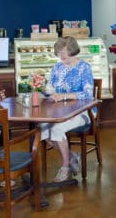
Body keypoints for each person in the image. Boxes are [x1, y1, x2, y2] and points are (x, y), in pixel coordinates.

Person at [42, 36, 94, 182]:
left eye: (64, 52)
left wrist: (64, 96)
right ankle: (71, 157)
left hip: (82, 112)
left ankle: (65, 166)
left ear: (73, 50)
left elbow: (88, 94)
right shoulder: (56, 67)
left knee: (57, 128)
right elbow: (50, 87)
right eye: (59, 52)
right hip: (59, 111)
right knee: (42, 128)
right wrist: (45, 90)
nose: (61, 55)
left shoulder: (84, 68)